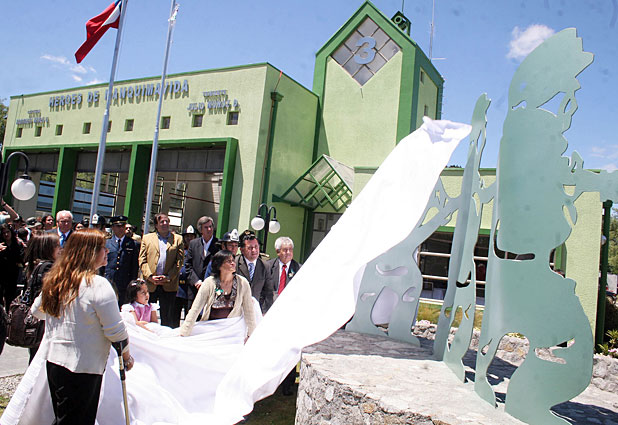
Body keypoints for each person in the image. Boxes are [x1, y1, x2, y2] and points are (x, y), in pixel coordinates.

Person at [32, 229, 133, 425]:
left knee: (64, 417)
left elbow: (37, 311)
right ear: (89, 252)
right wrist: (127, 356)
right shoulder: (98, 285)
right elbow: (116, 331)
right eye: (103, 248)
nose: (107, 251)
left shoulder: (57, 279)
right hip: (83, 366)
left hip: (55, 361)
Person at [180, 250, 256, 339]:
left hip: (232, 331)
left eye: (233, 260)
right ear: (219, 265)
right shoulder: (209, 283)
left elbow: (249, 311)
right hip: (211, 329)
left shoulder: (242, 283)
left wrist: (251, 335)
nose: (233, 263)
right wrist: (184, 332)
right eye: (228, 261)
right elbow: (195, 309)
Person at [265, 236, 302, 395]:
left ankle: (288, 385)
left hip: (289, 317)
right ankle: (269, 382)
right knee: (271, 349)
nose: (288, 253)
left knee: (288, 350)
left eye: (290, 250)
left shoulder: (299, 269)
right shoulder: (268, 266)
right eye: (285, 250)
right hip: (270, 314)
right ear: (277, 251)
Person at [139, 213, 184, 327]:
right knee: (147, 316)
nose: (165, 224)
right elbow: (142, 260)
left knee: (167, 318)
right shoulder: (147, 238)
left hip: (168, 284)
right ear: (156, 225)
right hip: (150, 284)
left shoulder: (177, 239)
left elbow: (179, 262)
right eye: (162, 222)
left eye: (167, 221)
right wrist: (150, 277)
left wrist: (168, 277)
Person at [22, 232, 60, 362]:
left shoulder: (37, 266)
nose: (61, 249)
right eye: (57, 246)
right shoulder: (47, 268)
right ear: (48, 249)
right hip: (41, 321)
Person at [103, 215, 139, 306]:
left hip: (124, 282)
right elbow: (102, 264)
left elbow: (134, 266)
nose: (121, 229)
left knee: (122, 307)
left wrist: (132, 282)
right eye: (118, 226)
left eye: (123, 226)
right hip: (109, 280)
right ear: (112, 227)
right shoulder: (106, 243)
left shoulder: (132, 244)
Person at [185, 216, 219, 309]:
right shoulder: (193, 244)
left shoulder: (218, 245)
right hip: (194, 289)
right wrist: (196, 281)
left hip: (211, 290)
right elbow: (188, 265)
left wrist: (207, 283)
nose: (209, 229)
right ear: (200, 230)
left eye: (210, 226)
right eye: (206, 227)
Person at [236, 230, 271, 314]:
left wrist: (263, 311)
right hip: (237, 309)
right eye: (250, 248)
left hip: (255, 311)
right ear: (242, 250)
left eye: (256, 247)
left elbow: (268, 291)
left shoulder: (265, 266)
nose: (254, 250)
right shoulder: (235, 263)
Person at [175, 225, 197, 324]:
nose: (189, 238)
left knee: (189, 317)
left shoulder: (197, 252)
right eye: (187, 236)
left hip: (190, 288)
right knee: (174, 316)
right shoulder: (180, 250)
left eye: (191, 236)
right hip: (178, 288)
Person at [0, 223, 25, 308]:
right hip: (1, 273)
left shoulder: (17, 244)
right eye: (4, 233)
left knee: (10, 296)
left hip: (13, 273)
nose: (6, 234)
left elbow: (21, 258)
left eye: (8, 232)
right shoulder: (1, 244)